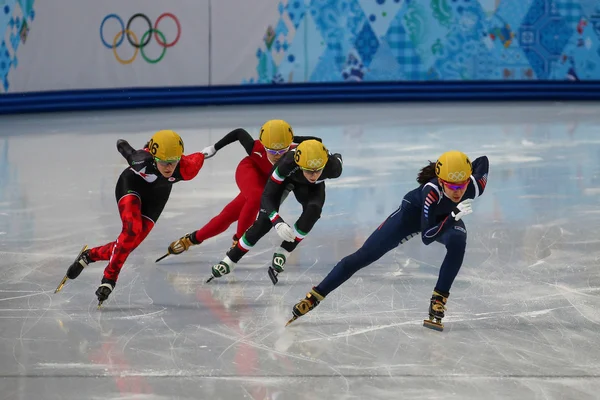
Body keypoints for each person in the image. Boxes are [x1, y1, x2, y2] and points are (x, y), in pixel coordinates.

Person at [286, 150, 489, 331]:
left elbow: (483, 161)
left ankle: (438, 299)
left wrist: (464, 170)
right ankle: (314, 297)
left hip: (443, 219)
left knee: (458, 241)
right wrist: (453, 215)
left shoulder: (474, 185)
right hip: (411, 218)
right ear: (441, 179)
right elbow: (427, 237)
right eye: (452, 185)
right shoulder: (431, 191)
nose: (458, 191)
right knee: (362, 257)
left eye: (461, 185)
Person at [54, 130, 206, 306]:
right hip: (131, 186)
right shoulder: (140, 160)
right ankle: (109, 279)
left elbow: (206, 153)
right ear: (154, 156)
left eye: (173, 162)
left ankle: (88, 256)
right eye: (163, 162)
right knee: (131, 230)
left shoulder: (188, 168)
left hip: (157, 197)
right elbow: (122, 145)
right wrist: (124, 145)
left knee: (127, 245)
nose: (168, 167)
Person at [158, 120, 320, 262]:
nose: (277, 156)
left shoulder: (296, 152)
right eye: (271, 150)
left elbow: (316, 141)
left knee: (228, 216)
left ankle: (191, 239)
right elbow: (239, 133)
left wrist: (293, 142)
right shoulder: (255, 148)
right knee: (257, 199)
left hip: (266, 183)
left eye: (281, 150)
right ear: (263, 146)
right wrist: (215, 148)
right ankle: (238, 240)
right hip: (249, 171)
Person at [207, 139, 343, 284]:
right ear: (299, 163)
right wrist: (277, 221)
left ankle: (284, 251)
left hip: (309, 188)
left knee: (314, 211)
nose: (313, 175)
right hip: (285, 179)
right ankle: (230, 260)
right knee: (264, 221)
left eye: (318, 170)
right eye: (309, 170)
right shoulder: (287, 163)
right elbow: (267, 196)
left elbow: (335, 156)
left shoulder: (333, 167)